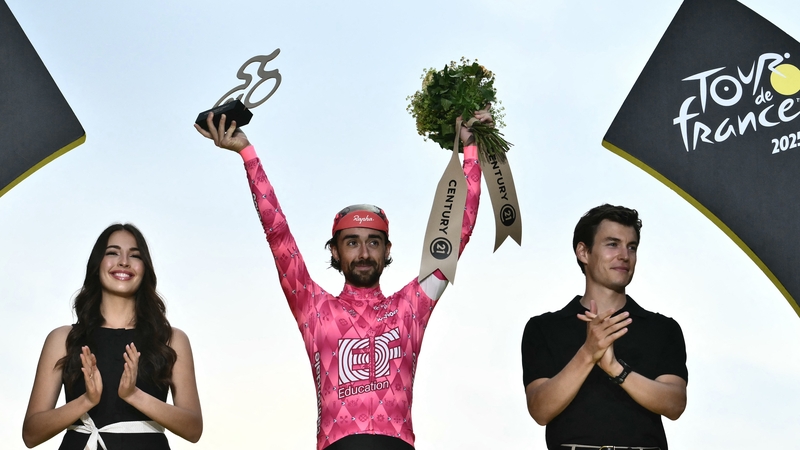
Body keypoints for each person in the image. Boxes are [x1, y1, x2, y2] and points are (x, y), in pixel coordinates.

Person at [195, 110, 488, 450]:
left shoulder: (412, 307)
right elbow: (278, 234)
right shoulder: (312, 305)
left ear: (386, 249)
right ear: (335, 251)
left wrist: (470, 149)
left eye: (373, 242)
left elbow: (456, 234)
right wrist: (247, 152)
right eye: (352, 242)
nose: (363, 252)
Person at [521, 204, 687, 450]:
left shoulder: (663, 329)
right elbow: (540, 410)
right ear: (583, 252)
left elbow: (675, 405)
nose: (624, 255)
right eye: (612, 244)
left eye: (631, 247)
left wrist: (615, 368)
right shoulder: (544, 328)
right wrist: (588, 353)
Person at [22, 224, 202, 450]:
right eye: (113, 252)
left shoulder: (171, 339)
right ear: (97, 265)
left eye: (134, 255)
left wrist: (134, 395)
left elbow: (193, 429)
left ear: (145, 268)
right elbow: (31, 434)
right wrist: (86, 401)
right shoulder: (63, 339)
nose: (124, 261)